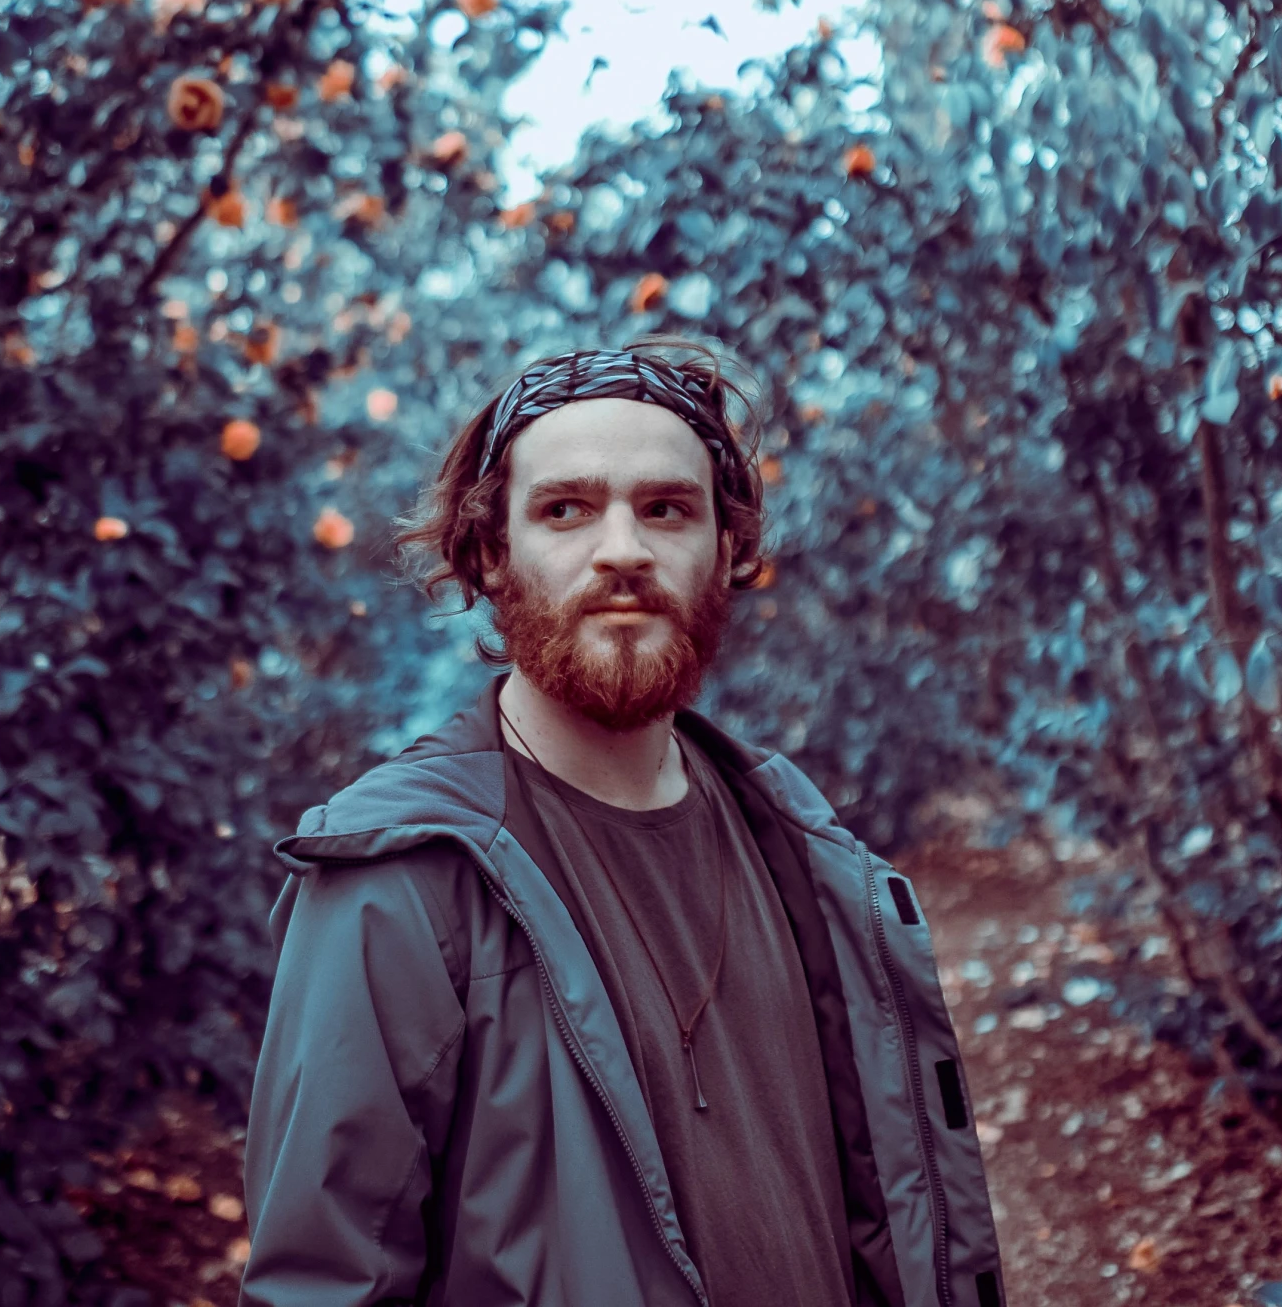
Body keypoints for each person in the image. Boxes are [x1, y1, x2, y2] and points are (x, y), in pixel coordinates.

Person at [241, 343, 1005, 1307]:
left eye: (666, 509)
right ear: (488, 551)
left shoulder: (806, 854)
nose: (623, 551)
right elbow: (325, 1283)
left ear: (725, 550)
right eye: (565, 509)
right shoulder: (400, 882)